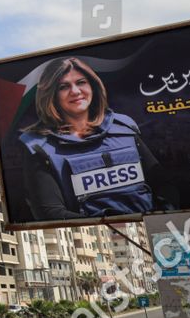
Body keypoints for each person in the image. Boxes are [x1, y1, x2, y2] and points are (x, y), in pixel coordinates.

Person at [15, 57, 167, 220]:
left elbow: (164, 185)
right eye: (63, 87)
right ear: (51, 94)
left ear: (93, 86)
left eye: (81, 82)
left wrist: (164, 215)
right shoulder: (36, 145)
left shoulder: (124, 127)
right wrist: (115, 223)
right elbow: (49, 213)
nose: (75, 91)